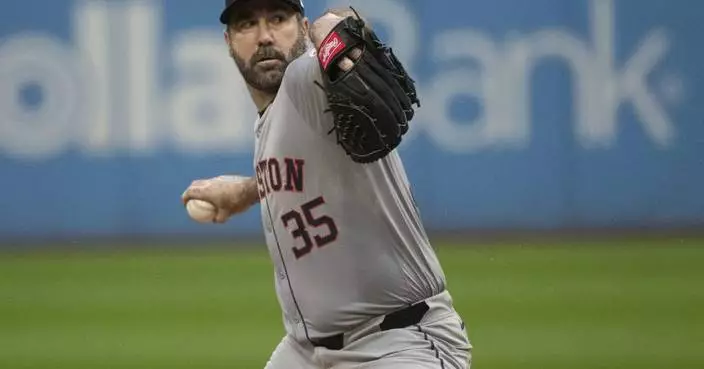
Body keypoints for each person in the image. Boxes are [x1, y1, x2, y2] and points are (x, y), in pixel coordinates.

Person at [181, 0, 472, 367]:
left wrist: (333, 29)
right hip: (306, 351)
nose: (264, 36)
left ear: (302, 27)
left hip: (397, 342)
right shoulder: (271, 117)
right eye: (247, 24)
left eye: (277, 18)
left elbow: (350, 23)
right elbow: (302, 168)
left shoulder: (307, 79)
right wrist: (245, 191)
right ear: (228, 41)